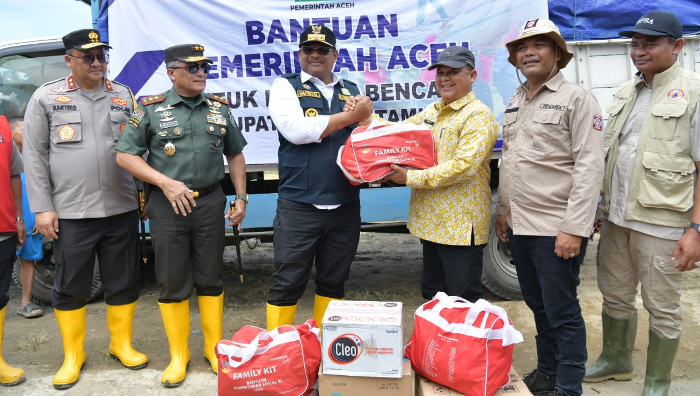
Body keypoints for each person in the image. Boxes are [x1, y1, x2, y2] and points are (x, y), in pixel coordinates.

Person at [116, 43, 248, 388]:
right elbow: (125, 156)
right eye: (192, 67)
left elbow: (235, 154)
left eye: (204, 66)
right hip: (167, 205)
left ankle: (212, 349)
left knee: (211, 277)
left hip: (209, 203)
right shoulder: (149, 109)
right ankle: (179, 355)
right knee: (173, 280)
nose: (201, 72)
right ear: (172, 73)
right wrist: (165, 183)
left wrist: (241, 197)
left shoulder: (219, 109)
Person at [583, 11, 700, 396]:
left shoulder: (694, 93)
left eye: (650, 43)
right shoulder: (625, 91)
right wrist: (600, 210)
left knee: (662, 305)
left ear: (677, 46)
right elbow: (613, 156)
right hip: (617, 218)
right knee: (615, 293)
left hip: (662, 222)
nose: (639, 51)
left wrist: (695, 229)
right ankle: (617, 360)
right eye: (635, 44)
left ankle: (658, 382)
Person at [22, 29, 147, 390]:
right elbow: (34, 157)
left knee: (123, 281)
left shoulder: (123, 96)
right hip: (72, 212)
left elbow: (138, 151)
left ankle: (120, 344)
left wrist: (141, 198)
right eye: (88, 57)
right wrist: (42, 209)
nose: (97, 63)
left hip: (121, 207)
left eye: (101, 56)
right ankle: (73, 355)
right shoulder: (46, 98)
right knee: (71, 287)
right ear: (69, 61)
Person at [495, 19, 604, 396]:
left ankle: (569, 385)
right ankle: (546, 372)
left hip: (556, 227)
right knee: (538, 306)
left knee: (562, 311)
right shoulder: (515, 100)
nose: (529, 52)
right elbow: (510, 162)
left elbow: (590, 167)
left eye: (539, 45)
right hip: (522, 227)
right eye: (522, 48)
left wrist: (575, 228)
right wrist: (503, 212)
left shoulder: (577, 98)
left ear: (557, 54)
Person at [266, 25, 373, 330]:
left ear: (334, 55)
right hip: (299, 204)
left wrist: (366, 116)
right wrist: (351, 117)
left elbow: (367, 136)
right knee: (287, 282)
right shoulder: (285, 86)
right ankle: (279, 353)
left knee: (334, 281)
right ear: (299, 55)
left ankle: (328, 352)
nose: (315, 55)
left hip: (345, 202)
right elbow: (298, 132)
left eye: (322, 50)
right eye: (308, 50)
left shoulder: (351, 90)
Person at [373, 46, 499, 302]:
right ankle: (439, 343)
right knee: (433, 296)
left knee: (462, 300)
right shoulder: (435, 110)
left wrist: (410, 178)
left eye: (453, 72)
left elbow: (463, 166)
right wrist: (366, 120)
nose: (444, 78)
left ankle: (463, 343)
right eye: (440, 72)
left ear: (472, 75)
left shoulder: (479, 116)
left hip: (461, 228)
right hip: (432, 224)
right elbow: (399, 132)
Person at [0, 115, 26, 387]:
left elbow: (13, 174)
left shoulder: (3, 125)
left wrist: (19, 218)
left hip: (2, 226)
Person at [9, 116, 44, 319]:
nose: (28, 132)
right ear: (10, 134)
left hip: (32, 219)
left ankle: (26, 302)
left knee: (29, 259)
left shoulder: (37, 159)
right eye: (23, 129)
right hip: (9, 218)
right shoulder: (6, 161)